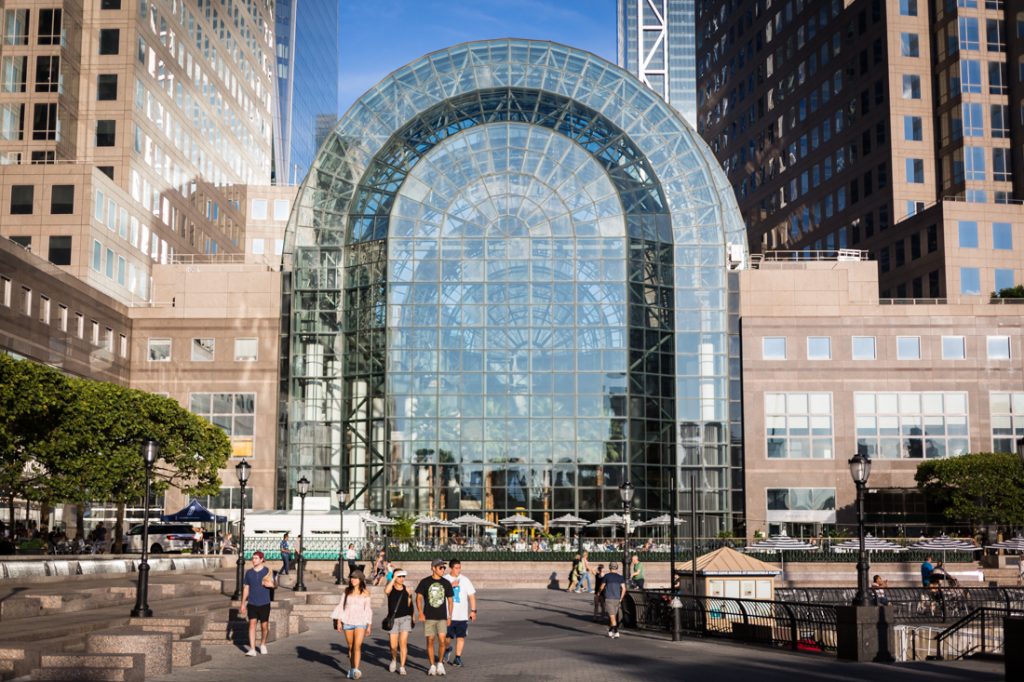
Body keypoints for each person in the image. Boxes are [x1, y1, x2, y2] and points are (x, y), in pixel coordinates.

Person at [415, 558, 454, 676]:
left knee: (442, 641)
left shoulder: (446, 583)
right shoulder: (425, 582)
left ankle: (440, 663)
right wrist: (420, 612)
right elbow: (419, 598)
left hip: (442, 617)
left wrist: (449, 616)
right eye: (440, 567)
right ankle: (432, 665)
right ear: (433, 568)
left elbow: (450, 601)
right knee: (430, 641)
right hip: (429, 617)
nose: (443, 570)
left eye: (444, 568)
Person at [333, 569, 373, 680]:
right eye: (352, 578)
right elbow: (341, 606)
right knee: (350, 647)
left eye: (355, 578)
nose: (353, 580)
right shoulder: (346, 591)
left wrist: (369, 625)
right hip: (348, 621)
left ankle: (356, 669)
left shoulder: (365, 592)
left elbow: (368, 609)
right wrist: (339, 621)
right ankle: (352, 668)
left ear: (360, 580)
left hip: (361, 622)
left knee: (357, 646)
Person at [442, 558, 477, 668]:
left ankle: (457, 658)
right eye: (456, 568)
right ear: (451, 568)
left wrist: (473, 611)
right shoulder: (445, 579)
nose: (459, 570)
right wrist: (450, 586)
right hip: (448, 615)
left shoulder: (465, 580)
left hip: (462, 616)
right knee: (446, 638)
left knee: (460, 637)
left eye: (460, 567)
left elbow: (471, 596)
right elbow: (439, 594)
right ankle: (447, 649)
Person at [240, 550, 275, 656]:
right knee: (252, 624)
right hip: (252, 602)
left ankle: (263, 644)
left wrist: (272, 585)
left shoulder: (268, 571)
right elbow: (246, 588)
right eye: (253, 558)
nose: (253, 560)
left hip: (264, 602)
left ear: (261, 560)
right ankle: (252, 649)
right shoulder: (249, 573)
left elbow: (275, 584)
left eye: (256, 558)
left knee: (264, 626)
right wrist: (243, 603)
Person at [384, 569, 414, 675]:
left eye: (403, 577)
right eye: (399, 576)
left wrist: (412, 617)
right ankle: (393, 659)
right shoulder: (391, 588)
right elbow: (386, 591)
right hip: (393, 620)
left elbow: (410, 604)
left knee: (403, 643)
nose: (401, 579)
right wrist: (393, 578)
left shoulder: (407, 589)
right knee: (393, 646)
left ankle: (402, 666)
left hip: (405, 618)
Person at [600, 561, 627, 638]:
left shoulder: (606, 576)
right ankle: (610, 631)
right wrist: (621, 598)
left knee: (612, 617)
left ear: (609, 567)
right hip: (617, 599)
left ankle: (616, 631)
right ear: (617, 568)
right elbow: (624, 589)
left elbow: (602, 586)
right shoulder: (620, 577)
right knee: (613, 617)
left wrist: (599, 593)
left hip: (609, 598)